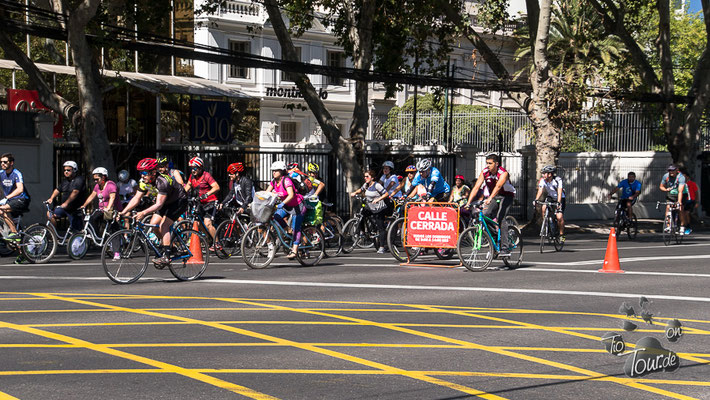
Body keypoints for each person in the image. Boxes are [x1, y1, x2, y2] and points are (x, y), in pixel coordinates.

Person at [120, 158, 187, 267]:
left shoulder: (162, 181)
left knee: (164, 225)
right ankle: (171, 246)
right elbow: (136, 198)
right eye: (141, 173)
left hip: (179, 201)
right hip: (166, 202)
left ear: (153, 172)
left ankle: (167, 256)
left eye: (145, 173)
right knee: (154, 225)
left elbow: (159, 204)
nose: (142, 175)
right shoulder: (143, 182)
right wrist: (123, 212)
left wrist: (143, 212)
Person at [464, 153, 516, 257]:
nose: (488, 165)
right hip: (494, 196)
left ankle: (505, 248)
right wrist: (468, 202)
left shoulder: (503, 173)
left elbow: (498, 186)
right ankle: (496, 235)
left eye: (490, 163)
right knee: (485, 215)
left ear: (496, 164)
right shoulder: (485, 172)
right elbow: (476, 187)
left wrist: (490, 198)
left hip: (507, 196)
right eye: (487, 163)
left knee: (501, 218)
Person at [267, 160, 306, 259]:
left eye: (276, 170)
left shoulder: (286, 180)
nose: (274, 172)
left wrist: (283, 203)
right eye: (273, 171)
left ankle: (295, 250)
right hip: (287, 206)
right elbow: (266, 193)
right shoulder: (274, 182)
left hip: (298, 205)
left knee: (296, 228)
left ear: (282, 171)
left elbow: (291, 194)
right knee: (276, 216)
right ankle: (287, 229)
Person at [350, 169, 390, 254]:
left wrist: (378, 199)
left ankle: (382, 247)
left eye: (367, 176)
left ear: (372, 177)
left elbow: (386, 194)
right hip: (371, 207)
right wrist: (354, 193)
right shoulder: (366, 185)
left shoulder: (377, 185)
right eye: (364, 176)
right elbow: (360, 190)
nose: (365, 178)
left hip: (379, 208)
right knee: (361, 214)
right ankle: (363, 232)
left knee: (381, 227)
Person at [183, 157, 220, 245]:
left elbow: (216, 187)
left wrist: (207, 194)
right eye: (191, 168)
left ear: (200, 167)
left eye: (195, 168)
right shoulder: (192, 176)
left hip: (210, 202)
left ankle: (217, 243)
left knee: (207, 223)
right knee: (198, 224)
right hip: (200, 203)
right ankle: (209, 237)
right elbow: (187, 187)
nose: (193, 170)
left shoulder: (206, 175)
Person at [45, 160, 87, 232]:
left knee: (77, 231)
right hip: (65, 209)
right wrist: (51, 198)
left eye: (68, 170)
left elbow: (75, 192)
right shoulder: (65, 181)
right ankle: (53, 234)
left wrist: (66, 203)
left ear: (74, 170)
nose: (66, 172)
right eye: (65, 170)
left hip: (75, 210)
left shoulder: (79, 180)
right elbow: (57, 190)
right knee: (50, 214)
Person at [79, 167, 123, 233]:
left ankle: (120, 239)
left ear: (103, 177)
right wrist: (84, 205)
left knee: (112, 228)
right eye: (94, 179)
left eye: (97, 179)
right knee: (92, 219)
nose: (95, 181)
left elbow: (112, 198)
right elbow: (92, 196)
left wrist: (108, 208)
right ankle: (95, 236)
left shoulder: (111, 185)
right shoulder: (97, 186)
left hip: (112, 210)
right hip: (102, 209)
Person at [0, 153, 31, 242]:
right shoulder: (1, 173)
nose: (2, 164)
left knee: (3, 210)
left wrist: (6, 198)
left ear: (11, 163)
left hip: (22, 200)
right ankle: (21, 252)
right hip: (10, 201)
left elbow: (20, 189)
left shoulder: (16, 173)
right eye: (1, 162)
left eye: (5, 162)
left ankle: (14, 233)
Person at [533, 165, 566, 242]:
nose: (543, 175)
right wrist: (536, 200)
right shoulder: (543, 180)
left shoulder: (558, 180)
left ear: (550, 174)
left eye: (544, 173)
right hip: (550, 197)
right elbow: (540, 190)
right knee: (543, 207)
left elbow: (559, 193)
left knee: (559, 217)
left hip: (560, 198)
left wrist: (558, 203)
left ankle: (561, 235)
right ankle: (546, 224)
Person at [659, 164, 690, 235]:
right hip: (671, 193)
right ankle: (668, 226)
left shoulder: (681, 177)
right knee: (668, 207)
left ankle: (682, 226)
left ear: (677, 170)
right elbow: (661, 186)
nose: (671, 172)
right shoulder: (666, 176)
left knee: (680, 208)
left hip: (681, 194)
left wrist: (679, 202)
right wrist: (666, 189)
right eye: (669, 170)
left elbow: (680, 191)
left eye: (673, 170)